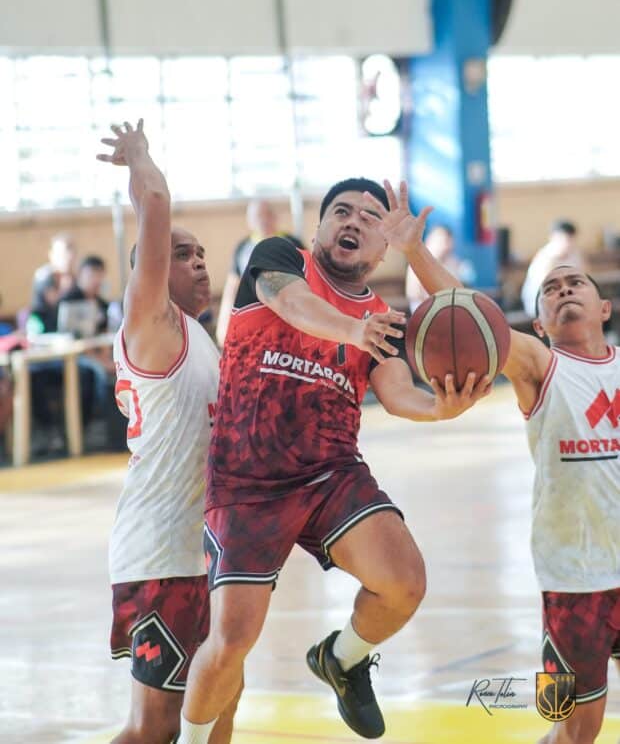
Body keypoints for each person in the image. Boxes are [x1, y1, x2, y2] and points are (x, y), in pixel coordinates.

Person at [178, 177, 491, 744]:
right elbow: (291, 304)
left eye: (369, 219)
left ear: (383, 247)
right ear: (320, 226)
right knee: (231, 642)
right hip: (247, 477)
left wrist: (440, 408)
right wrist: (354, 330)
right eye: (341, 212)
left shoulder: (383, 318)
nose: (352, 222)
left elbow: (401, 393)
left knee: (404, 582)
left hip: (330, 473)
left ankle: (342, 658)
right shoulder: (279, 258)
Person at [388, 181, 619, 744]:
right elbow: (470, 310)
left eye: (576, 284)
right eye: (551, 290)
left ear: (604, 308)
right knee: (575, 730)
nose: (563, 291)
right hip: (573, 579)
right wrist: (414, 252)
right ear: (538, 324)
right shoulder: (541, 364)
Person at [96, 120, 240, 744]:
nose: (198, 261)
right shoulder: (151, 324)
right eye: (181, 254)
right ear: (150, 274)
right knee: (154, 729)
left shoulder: (201, 340)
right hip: (160, 554)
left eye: (201, 252)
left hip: (206, 553)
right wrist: (139, 156)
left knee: (220, 705)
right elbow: (154, 202)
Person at [215, 199, 304, 347]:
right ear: (249, 222)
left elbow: (310, 278)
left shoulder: (293, 243)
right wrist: (223, 325)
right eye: (258, 216)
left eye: (267, 214)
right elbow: (232, 288)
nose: (263, 220)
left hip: (289, 316)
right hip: (256, 319)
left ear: (275, 217)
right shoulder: (243, 248)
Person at [521, 220, 585, 317]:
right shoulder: (545, 258)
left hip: (565, 299)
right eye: (564, 239)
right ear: (553, 237)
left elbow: (584, 278)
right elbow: (547, 289)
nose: (568, 243)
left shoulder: (575, 254)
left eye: (571, 239)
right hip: (539, 304)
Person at [405, 224, 474, 313]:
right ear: (430, 240)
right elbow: (413, 294)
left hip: (450, 309)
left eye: (447, 241)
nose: (444, 245)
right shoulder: (416, 263)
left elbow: (462, 293)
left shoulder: (455, 263)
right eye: (440, 241)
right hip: (425, 310)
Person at [59, 254, 109, 334]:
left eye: (99, 275)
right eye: (91, 275)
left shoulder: (102, 304)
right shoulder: (68, 300)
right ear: (80, 274)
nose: (96, 280)